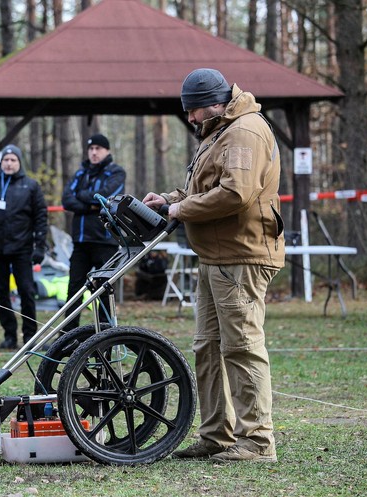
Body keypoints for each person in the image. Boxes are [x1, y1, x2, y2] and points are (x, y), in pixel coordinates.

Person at [143, 68, 285, 463]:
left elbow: (235, 193)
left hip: (240, 255)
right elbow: (205, 189)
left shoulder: (244, 132)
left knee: (242, 347)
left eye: (194, 111)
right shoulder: (219, 131)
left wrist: (178, 208)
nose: (190, 119)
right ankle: (217, 436)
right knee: (208, 348)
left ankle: (257, 442)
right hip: (215, 256)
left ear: (215, 104)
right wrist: (168, 199)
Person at [0, 145, 48, 349]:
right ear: (1, 162)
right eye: (6, 160)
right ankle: (9, 334)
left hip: (22, 249)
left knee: (26, 291)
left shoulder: (31, 186)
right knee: (1, 294)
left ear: (19, 162)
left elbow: (41, 218)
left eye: (13, 160)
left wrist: (39, 247)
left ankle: (30, 336)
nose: (9, 163)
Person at [61, 134, 126, 331]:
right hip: (81, 242)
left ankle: (104, 337)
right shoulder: (81, 174)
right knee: (74, 289)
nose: (94, 152)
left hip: (105, 242)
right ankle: (66, 335)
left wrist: (83, 201)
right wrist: (89, 204)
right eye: (91, 149)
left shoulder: (116, 172)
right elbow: (66, 199)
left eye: (98, 148)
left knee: (104, 290)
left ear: (107, 151)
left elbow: (105, 198)